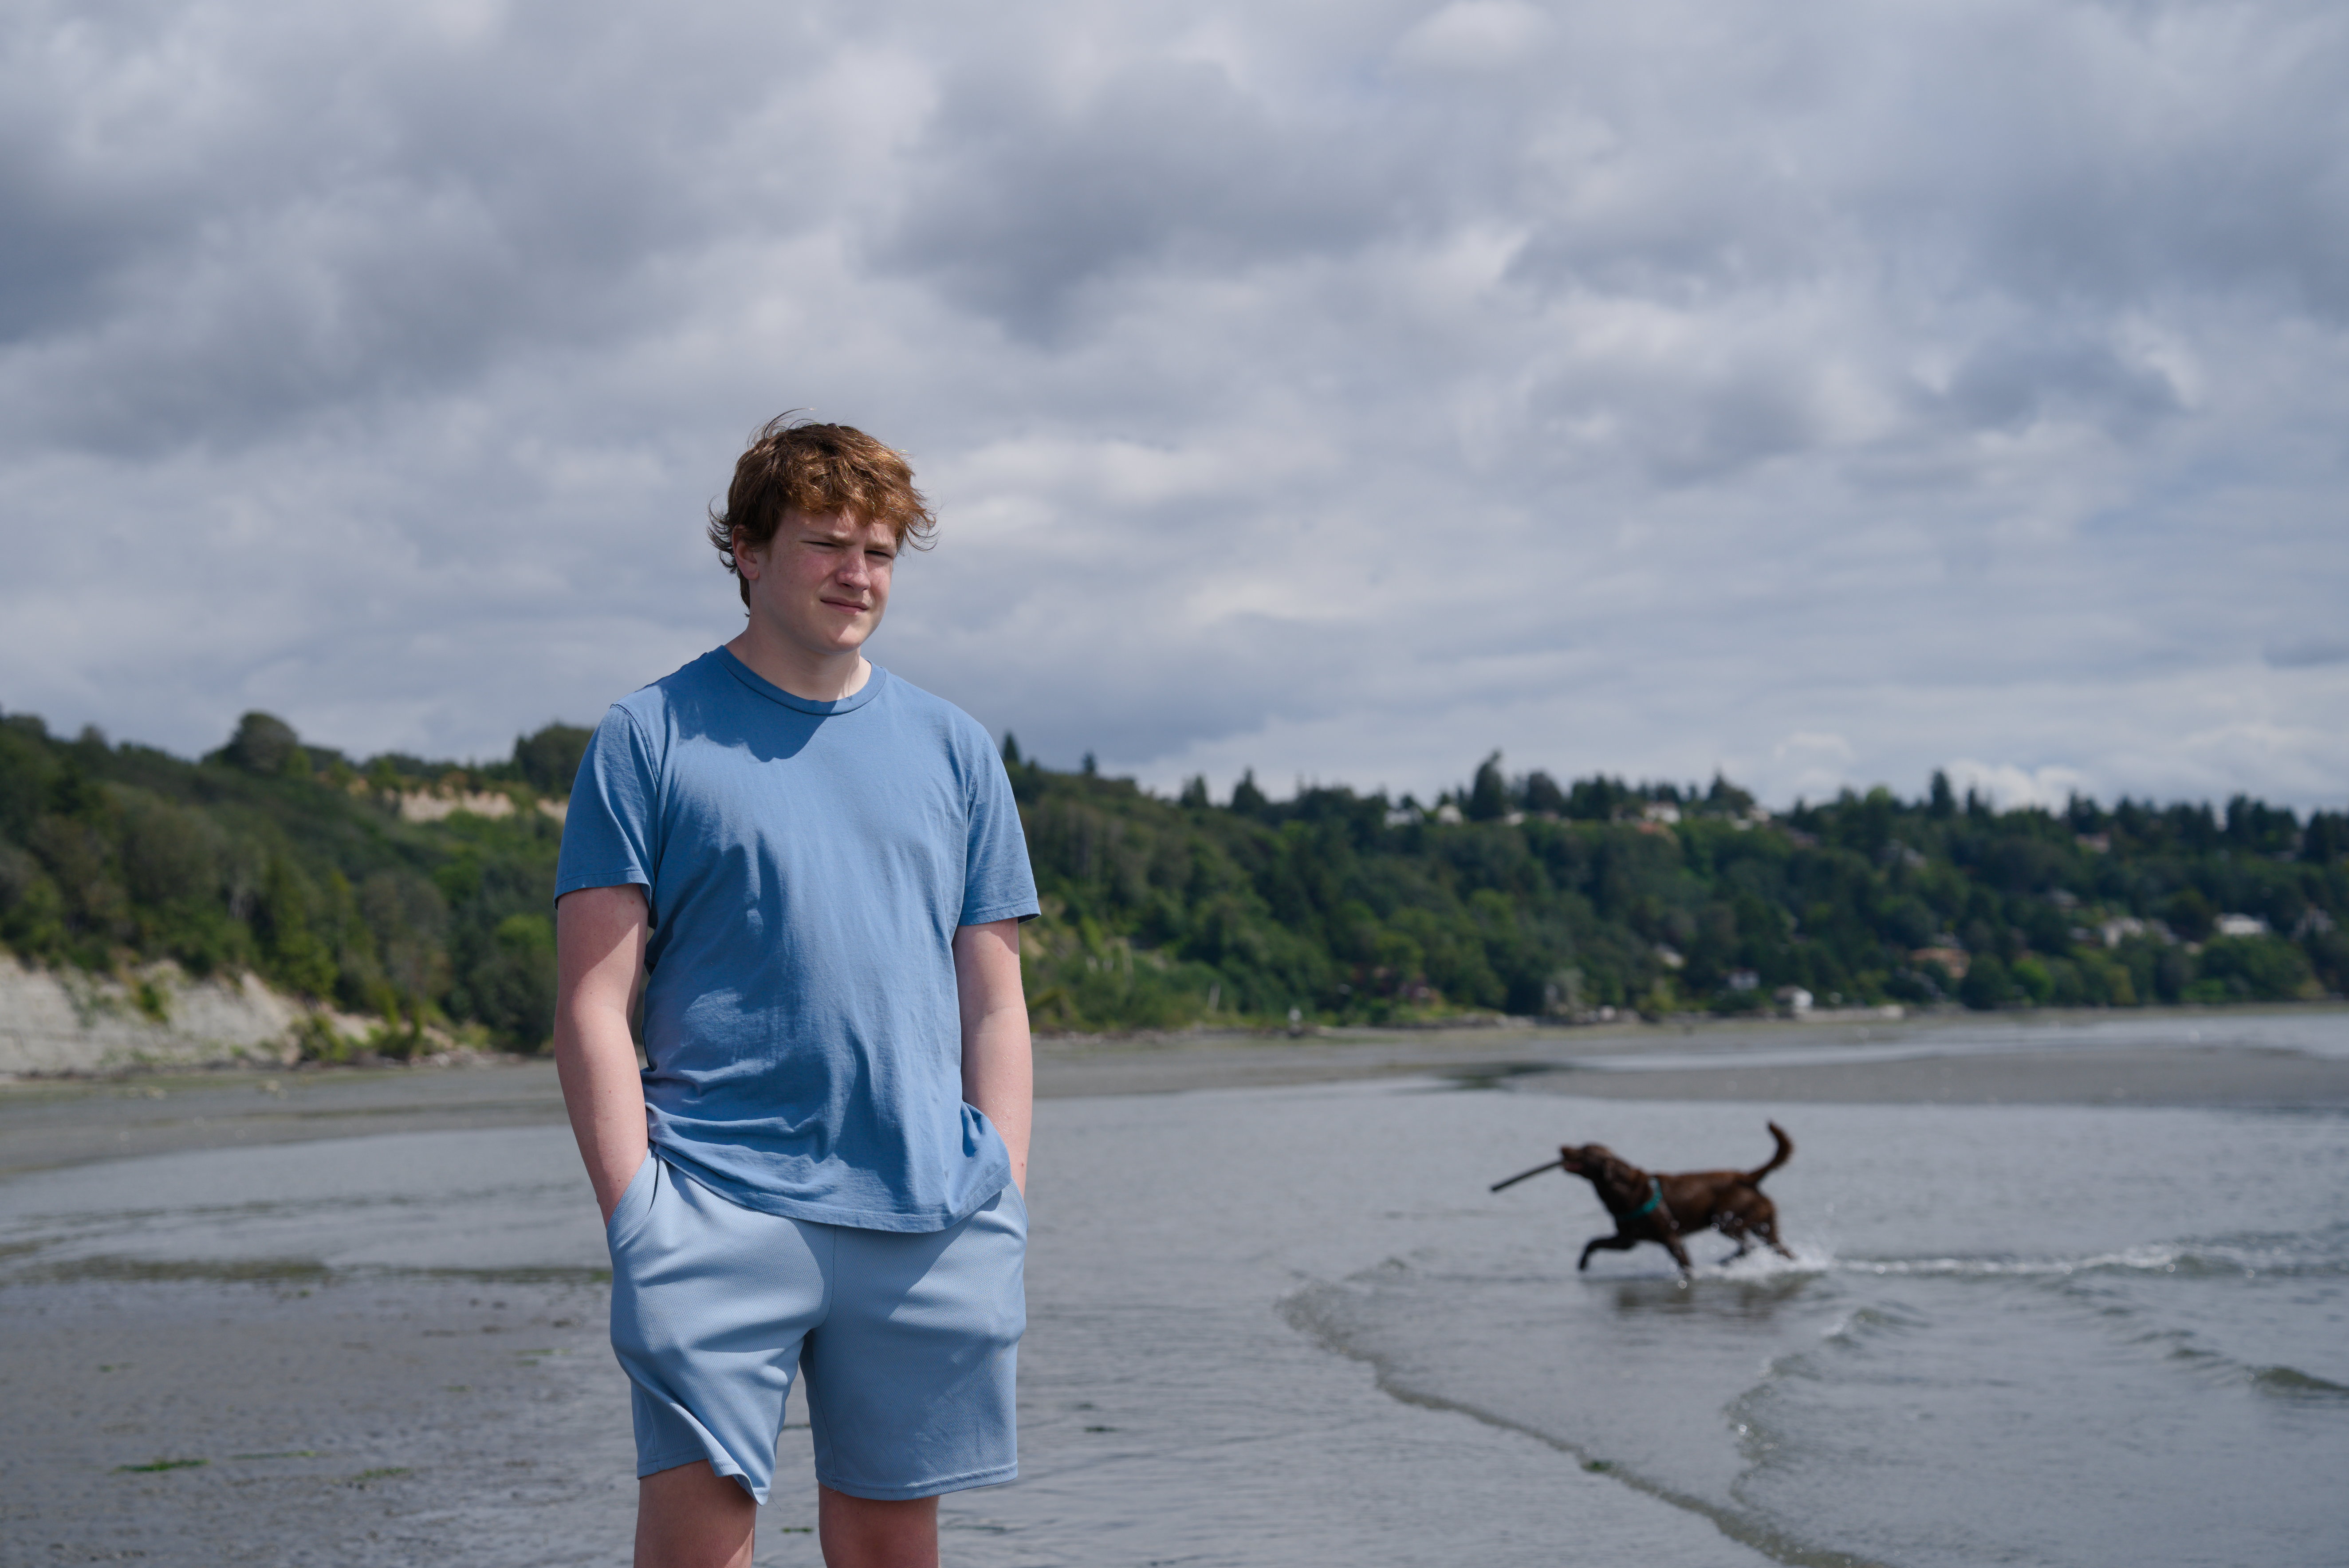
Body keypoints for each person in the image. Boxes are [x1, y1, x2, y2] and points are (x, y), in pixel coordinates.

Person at [551, 417, 1037, 1568]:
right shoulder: (647, 736)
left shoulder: (958, 749)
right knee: (700, 1545)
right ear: (748, 552)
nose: (856, 575)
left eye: (879, 553)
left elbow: (995, 1004)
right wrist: (636, 1214)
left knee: (890, 1546)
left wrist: (1004, 1195)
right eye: (826, 544)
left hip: (928, 1211)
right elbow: (591, 1004)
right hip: (714, 1201)